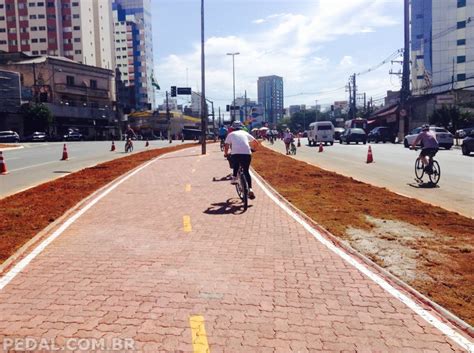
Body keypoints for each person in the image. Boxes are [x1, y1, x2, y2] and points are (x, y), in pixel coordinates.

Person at [224, 121, 259, 199]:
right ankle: (250, 189)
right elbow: (256, 142)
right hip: (247, 154)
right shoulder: (245, 133)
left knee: (235, 163)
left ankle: (234, 178)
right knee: (246, 171)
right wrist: (253, 150)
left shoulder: (231, 134)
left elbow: (226, 146)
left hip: (235, 154)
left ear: (232, 128)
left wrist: (226, 153)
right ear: (242, 127)